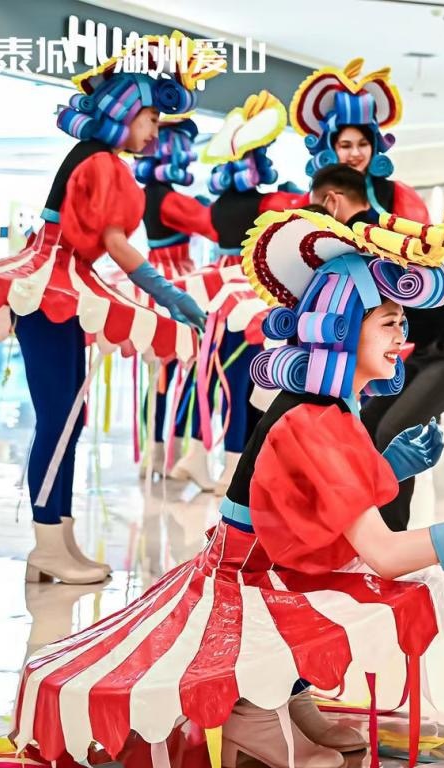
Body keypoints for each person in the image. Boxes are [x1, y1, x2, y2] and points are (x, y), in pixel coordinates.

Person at [1, 208, 444, 768]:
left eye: (403, 322)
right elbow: (386, 553)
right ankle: (253, 704)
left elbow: (307, 492)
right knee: (409, 583)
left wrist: (388, 464)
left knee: (390, 585)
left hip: (272, 564)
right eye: (389, 323)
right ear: (344, 329)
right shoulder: (320, 415)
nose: (403, 338)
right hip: (252, 582)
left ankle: (283, 689)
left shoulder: (328, 400)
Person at [0, 34, 215, 585]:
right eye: (152, 117)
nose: (156, 131)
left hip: (60, 288)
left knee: (67, 418)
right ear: (125, 113)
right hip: (50, 291)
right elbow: (116, 244)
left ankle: (58, 538)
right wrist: (169, 295)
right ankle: (47, 543)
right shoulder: (102, 163)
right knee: (60, 419)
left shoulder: (98, 159)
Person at [313, 164, 444, 530]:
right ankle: (367, 528)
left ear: (331, 201)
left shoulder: (372, 235)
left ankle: (390, 539)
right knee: (368, 424)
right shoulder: (364, 236)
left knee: (395, 432)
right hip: (427, 348)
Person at [162, 90, 301, 493]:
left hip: (215, 294)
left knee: (209, 377)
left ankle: (196, 456)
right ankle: (232, 467)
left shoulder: (219, 205)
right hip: (246, 294)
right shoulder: (268, 203)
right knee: (240, 383)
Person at [132, 116, 218, 480]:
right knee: (185, 372)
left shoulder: (148, 194)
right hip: (176, 285)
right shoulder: (168, 199)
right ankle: (172, 455)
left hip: (155, 280)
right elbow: (213, 226)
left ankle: (154, 455)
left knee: (160, 377)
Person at [290, 58, 430, 222]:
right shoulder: (315, 197)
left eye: (363, 144)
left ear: (374, 146)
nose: (355, 153)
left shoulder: (397, 194)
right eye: (345, 145)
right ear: (331, 148)